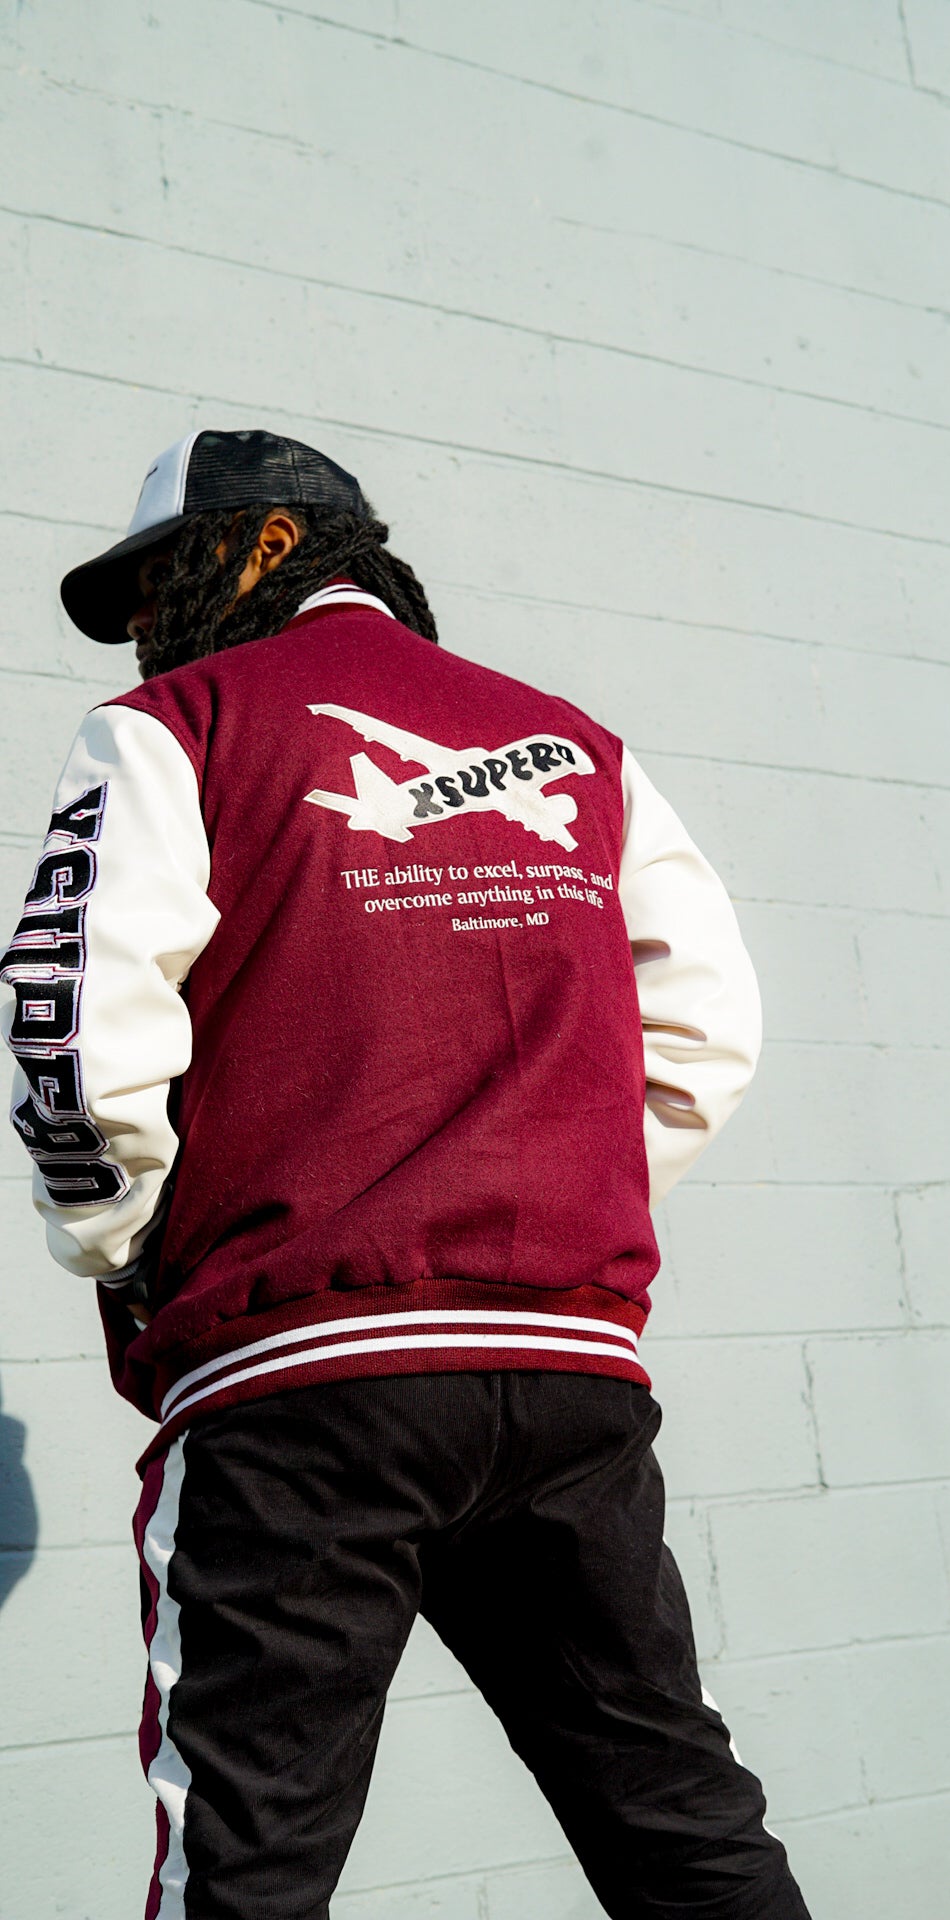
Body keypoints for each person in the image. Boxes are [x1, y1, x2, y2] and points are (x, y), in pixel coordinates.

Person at [1, 428, 811, 1920]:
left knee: (246, 1865)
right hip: (567, 1375)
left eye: (160, 580)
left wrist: (121, 1249)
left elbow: (68, 1027)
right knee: (679, 1819)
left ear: (258, 550)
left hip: (301, 1379)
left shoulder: (171, 725)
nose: (146, 625)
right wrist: (541, 1214)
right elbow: (711, 1029)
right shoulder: (580, 744)